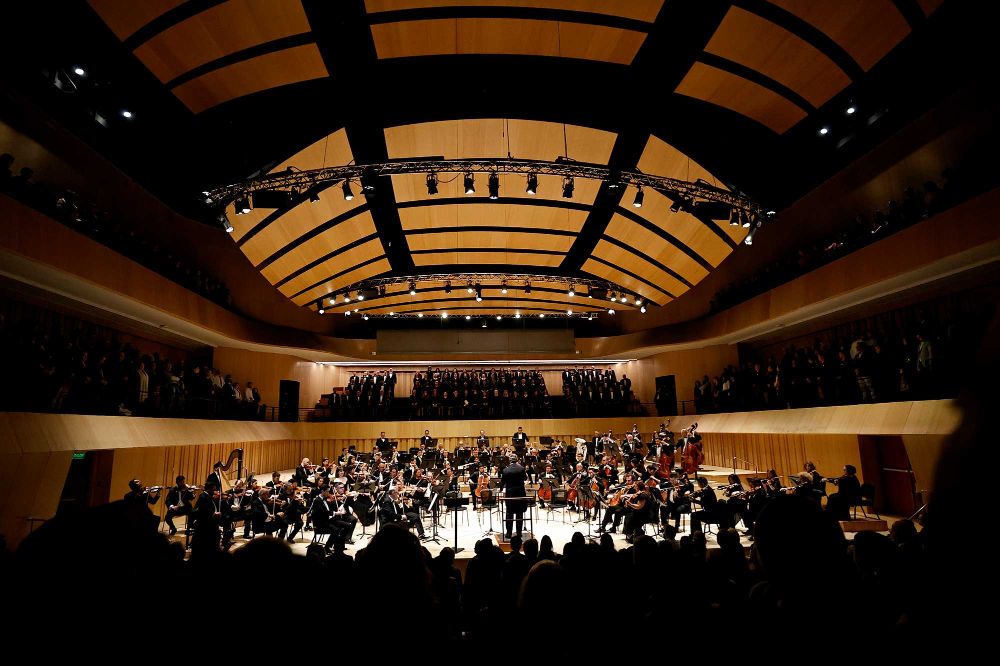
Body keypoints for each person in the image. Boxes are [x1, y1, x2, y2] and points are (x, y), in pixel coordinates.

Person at [502, 454, 527, 540]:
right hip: (520, 493)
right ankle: (519, 533)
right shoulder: (521, 468)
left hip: (510, 494)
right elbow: (525, 478)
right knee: (519, 513)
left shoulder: (505, 470)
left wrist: (501, 488)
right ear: (517, 460)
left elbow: (502, 482)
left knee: (509, 513)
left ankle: (509, 533)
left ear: (509, 460)